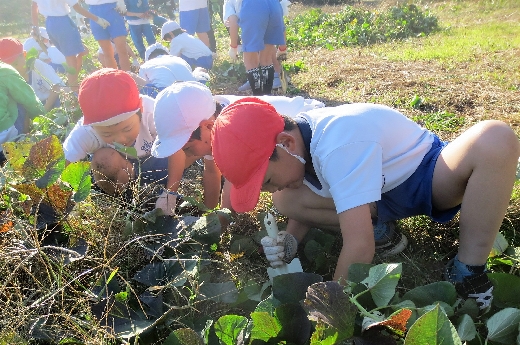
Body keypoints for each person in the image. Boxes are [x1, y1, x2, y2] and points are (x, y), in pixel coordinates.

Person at [210, 98, 520, 310]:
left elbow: (360, 247)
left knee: (495, 139)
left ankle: (468, 269)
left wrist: (329, 307)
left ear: (286, 144)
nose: (269, 190)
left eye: (265, 181)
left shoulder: (338, 142)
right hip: (375, 194)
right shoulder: (296, 144)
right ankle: (380, 227)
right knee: (285, 198)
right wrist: (290, 240)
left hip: (422, 176)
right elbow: (303, 181)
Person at [151, 81, 325, 210]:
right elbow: (212, 171)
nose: (188, 155)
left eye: (188, 148)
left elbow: (234, 180)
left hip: (313, 141)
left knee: (287, 199)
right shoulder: (212, 116)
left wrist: (221, 223)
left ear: (207, 127)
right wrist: (210, 213)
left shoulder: (234, 127)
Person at [62, 68, 187, 215]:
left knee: (185, 144)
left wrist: (170, 194)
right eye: (107, 133)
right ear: (92, 126)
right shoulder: (85, 132)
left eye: (127, 129)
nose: (120, 139)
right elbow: (65, 165)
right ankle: (123, 199)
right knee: (103, 160)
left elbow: (177, 152)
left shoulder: (153, 112)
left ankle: (161, 189)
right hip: (121, 167)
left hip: (157, 161)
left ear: (140, 109)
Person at [31, 0, 108, 90]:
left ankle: (74, 83)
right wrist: (97, 19)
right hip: (63, 22)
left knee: (79, 53)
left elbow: (34, 6)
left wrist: (35, 27)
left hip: (49, 24)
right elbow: (77, 7)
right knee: (71, 59)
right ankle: (74, 89)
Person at [225, 0, 285, 95]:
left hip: (253, 6)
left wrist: (233, 46)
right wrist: (283, 47)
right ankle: (267, 95)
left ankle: (259, 96)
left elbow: (233, 21)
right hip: (274, 5)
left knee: (250, 60)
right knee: (266, 59)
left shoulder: (228, 2)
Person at [0, 38, 45, 164]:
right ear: (23, 55)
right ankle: (22, 144)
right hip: (4, 136)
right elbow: (31, 102)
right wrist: (44, 121)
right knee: (21, 100)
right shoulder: (5, 71)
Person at [0, 38, 66, 112]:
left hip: (54, 98)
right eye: (8, 66)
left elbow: (56, 88)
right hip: (36, 106)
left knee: (60, 105)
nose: (12, 68)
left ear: (24, 55)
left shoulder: (36, 65)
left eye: (15, 64)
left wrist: (45, 112)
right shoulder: (8, 76)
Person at [83, 0, 131, 71]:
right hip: (94, 11)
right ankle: (114, 78)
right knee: (107, 53)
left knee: (122, 49)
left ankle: (128, 77)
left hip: (113, 8)